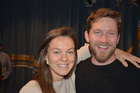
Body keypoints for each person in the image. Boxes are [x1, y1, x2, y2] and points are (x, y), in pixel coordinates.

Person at [19, 26, 140, 93]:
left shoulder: (71, 70)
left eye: (70, 51)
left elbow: (92, 48)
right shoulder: (32, 89)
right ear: (45, 56)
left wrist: (115, 51)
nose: (64, 58)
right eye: (56, 52)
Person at [75, 8, 140, 93]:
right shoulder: (78, 69)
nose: (104, 40)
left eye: (111, 33)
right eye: (97, 32)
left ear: (118, 38)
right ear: (87, 36)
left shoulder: (136, 71)